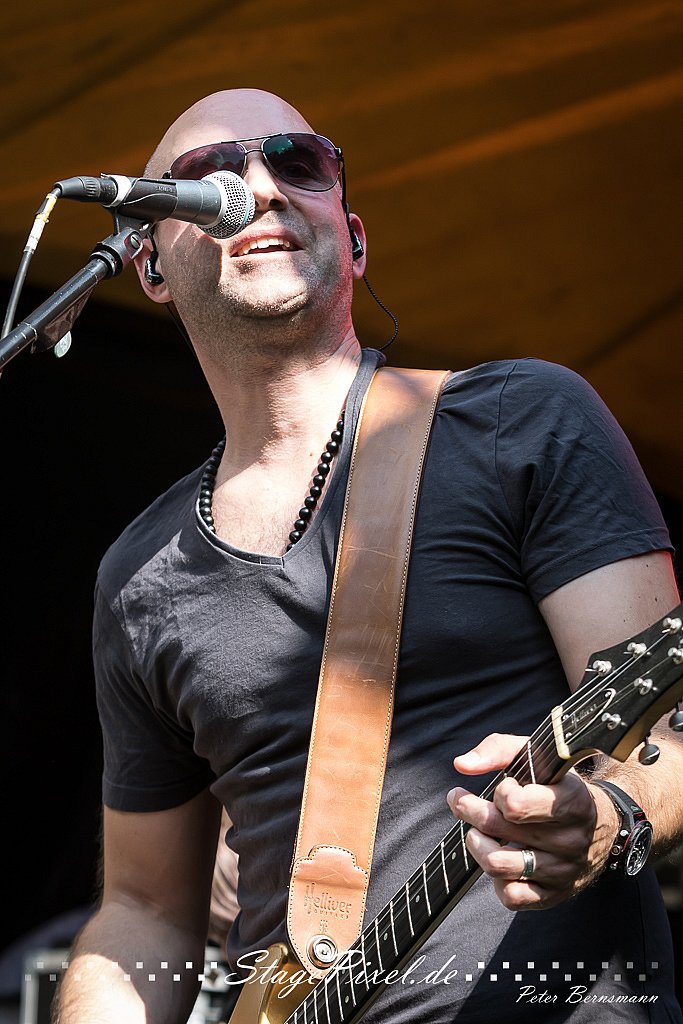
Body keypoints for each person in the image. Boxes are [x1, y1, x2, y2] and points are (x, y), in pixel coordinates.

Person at [54, 87, 683, 1024]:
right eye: (209, 174)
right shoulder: (140, 577)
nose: (261, 187)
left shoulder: (519, 423)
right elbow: (144, 911)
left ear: (351, 240)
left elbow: (671, 732)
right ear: (148, 262)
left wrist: (613, 815)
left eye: (297, 164)